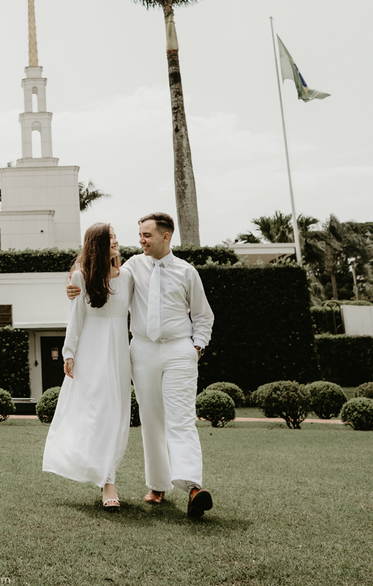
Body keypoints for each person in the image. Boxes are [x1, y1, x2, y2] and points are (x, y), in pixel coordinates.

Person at [66, 212, 215, 518]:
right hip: (142, 350)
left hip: (179, 350)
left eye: (147, 235)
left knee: (181, 419)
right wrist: (72, 287)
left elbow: (203, 316)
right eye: (140, 235)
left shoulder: (187, 272)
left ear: (165, 236)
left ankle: (193, 487)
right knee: (151, 420)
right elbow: (100, 280)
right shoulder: (132, 267)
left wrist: (196, 347)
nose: (141, 240)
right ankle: (158, 485)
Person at [42, 223, 135, 511]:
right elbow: (76, 317)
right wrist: (69, 353)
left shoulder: (129, 276)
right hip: (90, 352)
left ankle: (108, 476)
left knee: (117, 414)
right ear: (98, 245)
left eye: (117, 238)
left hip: (119, 353)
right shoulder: (81, 276)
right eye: (111, 239)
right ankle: (106, 481)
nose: (117, 243)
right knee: (94, 412)